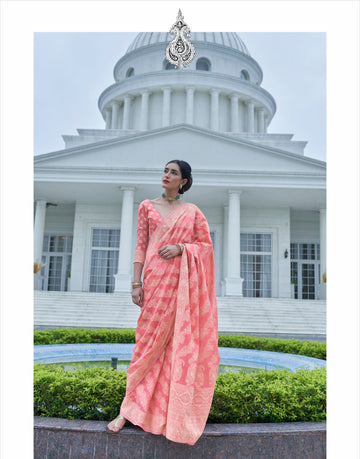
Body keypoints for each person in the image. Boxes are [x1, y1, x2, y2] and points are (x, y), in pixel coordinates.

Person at [106, 160, 220, 445]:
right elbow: (141, 245)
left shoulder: (192, 212)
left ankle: (167, 413)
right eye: (165, 171)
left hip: (180, 287)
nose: (166, 175)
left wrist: (182, 248)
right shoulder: (146, 206)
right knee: (145, 345)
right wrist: (135, 283)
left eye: (173, 173)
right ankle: (127, 409)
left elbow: (205, 247)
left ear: (183, 181)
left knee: (174, 348)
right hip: (155, 283)